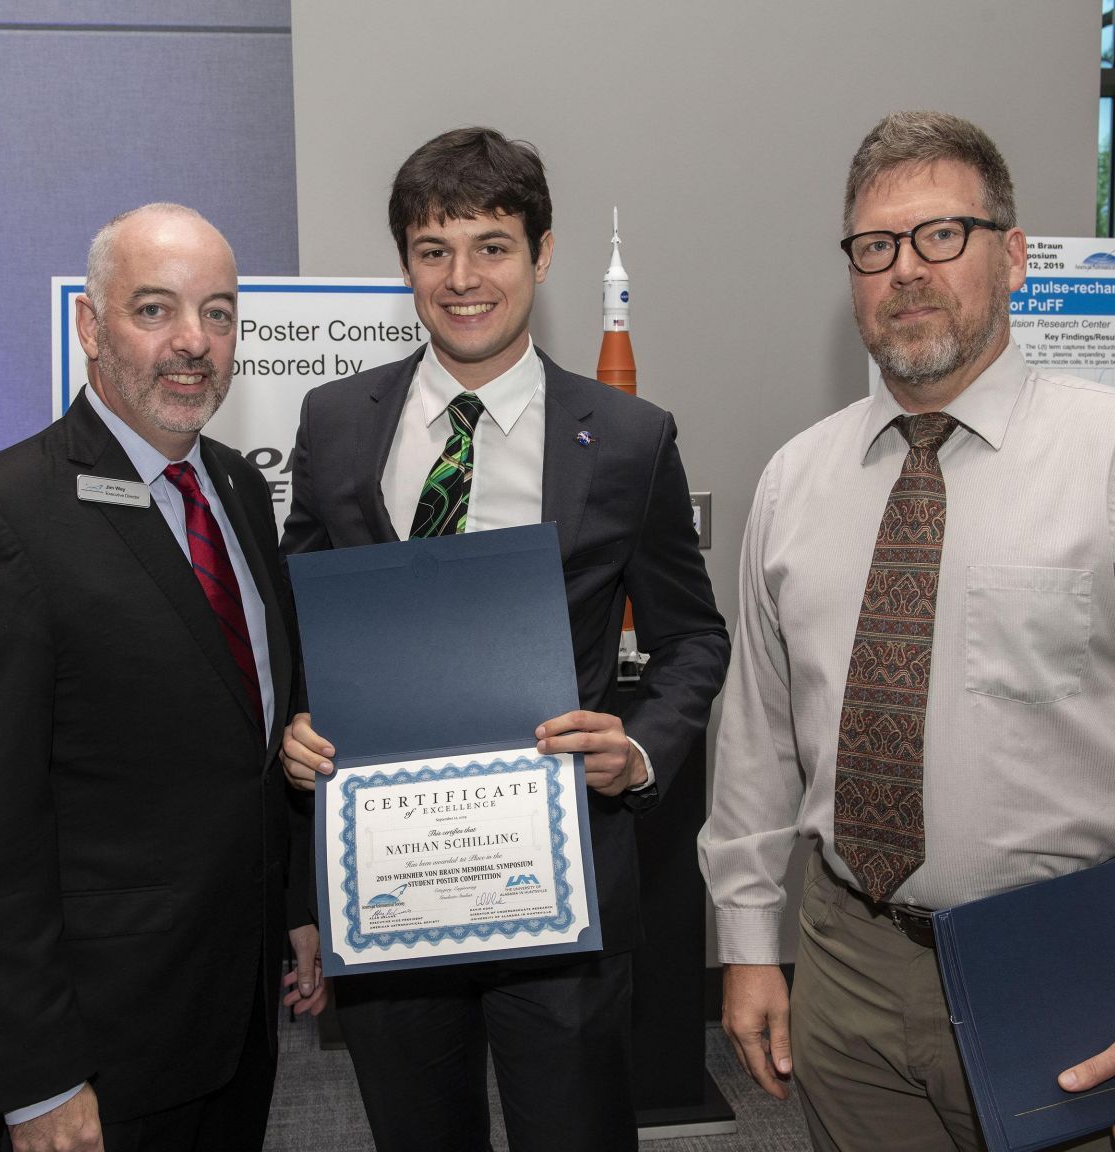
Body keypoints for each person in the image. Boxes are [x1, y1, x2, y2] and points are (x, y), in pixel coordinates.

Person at [698, 110, 1115, 1152]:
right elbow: (760, 734)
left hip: (1071, 969)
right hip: (847, 967)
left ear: (1014, 255)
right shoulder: (797, 481)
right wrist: (748, 938)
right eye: (876, 247)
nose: (906, 270)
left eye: (943, 235)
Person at [280, 126, 729, 1152]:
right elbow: (302, 616)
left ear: (544, 253)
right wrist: (295, 725)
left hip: (557, 883)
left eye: (491, 244)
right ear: (405, 263)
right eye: (434, 250)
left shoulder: (625, 438)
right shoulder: (337, 422)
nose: (463, 278)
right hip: (387, 882)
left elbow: (693, 638)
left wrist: (642, 748)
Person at [0, 203, 326, 1152]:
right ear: (90, 326)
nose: (192, 343)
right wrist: (37, 1078)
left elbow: (252, 740)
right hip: (100, 1047)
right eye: (154, 310)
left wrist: (295, 909)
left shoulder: (240, 490)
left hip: (239, 1014)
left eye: (218, 313)